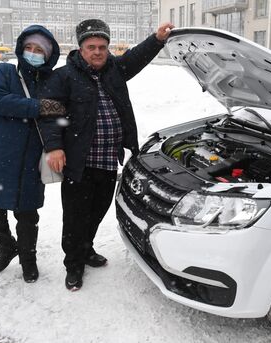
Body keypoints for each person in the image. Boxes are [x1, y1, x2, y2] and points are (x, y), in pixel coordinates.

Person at [39, 19, 174, 290]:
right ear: (81, 49)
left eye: (102, 46)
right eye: (92, 47)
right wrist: (54, 147)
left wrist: (157, 40)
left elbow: (136, 57)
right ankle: (73, 264)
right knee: (75, 217)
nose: (98, 52)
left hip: (108, 160)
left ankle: (86, 249)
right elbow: (49, 114)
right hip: (80, 163)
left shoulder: (115, 70)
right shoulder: (63, 77)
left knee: (98, 211)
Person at [0, 25, 64, 283]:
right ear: (22, 49)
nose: (33, 53)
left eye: (40, 51)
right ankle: (6, 247)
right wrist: (38, 106)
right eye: (29, 48)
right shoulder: (5, 72)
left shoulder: (50, 82)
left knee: (27, 217)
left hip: (29, 160)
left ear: (48, 56)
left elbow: (58, 115)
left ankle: (28, 259)